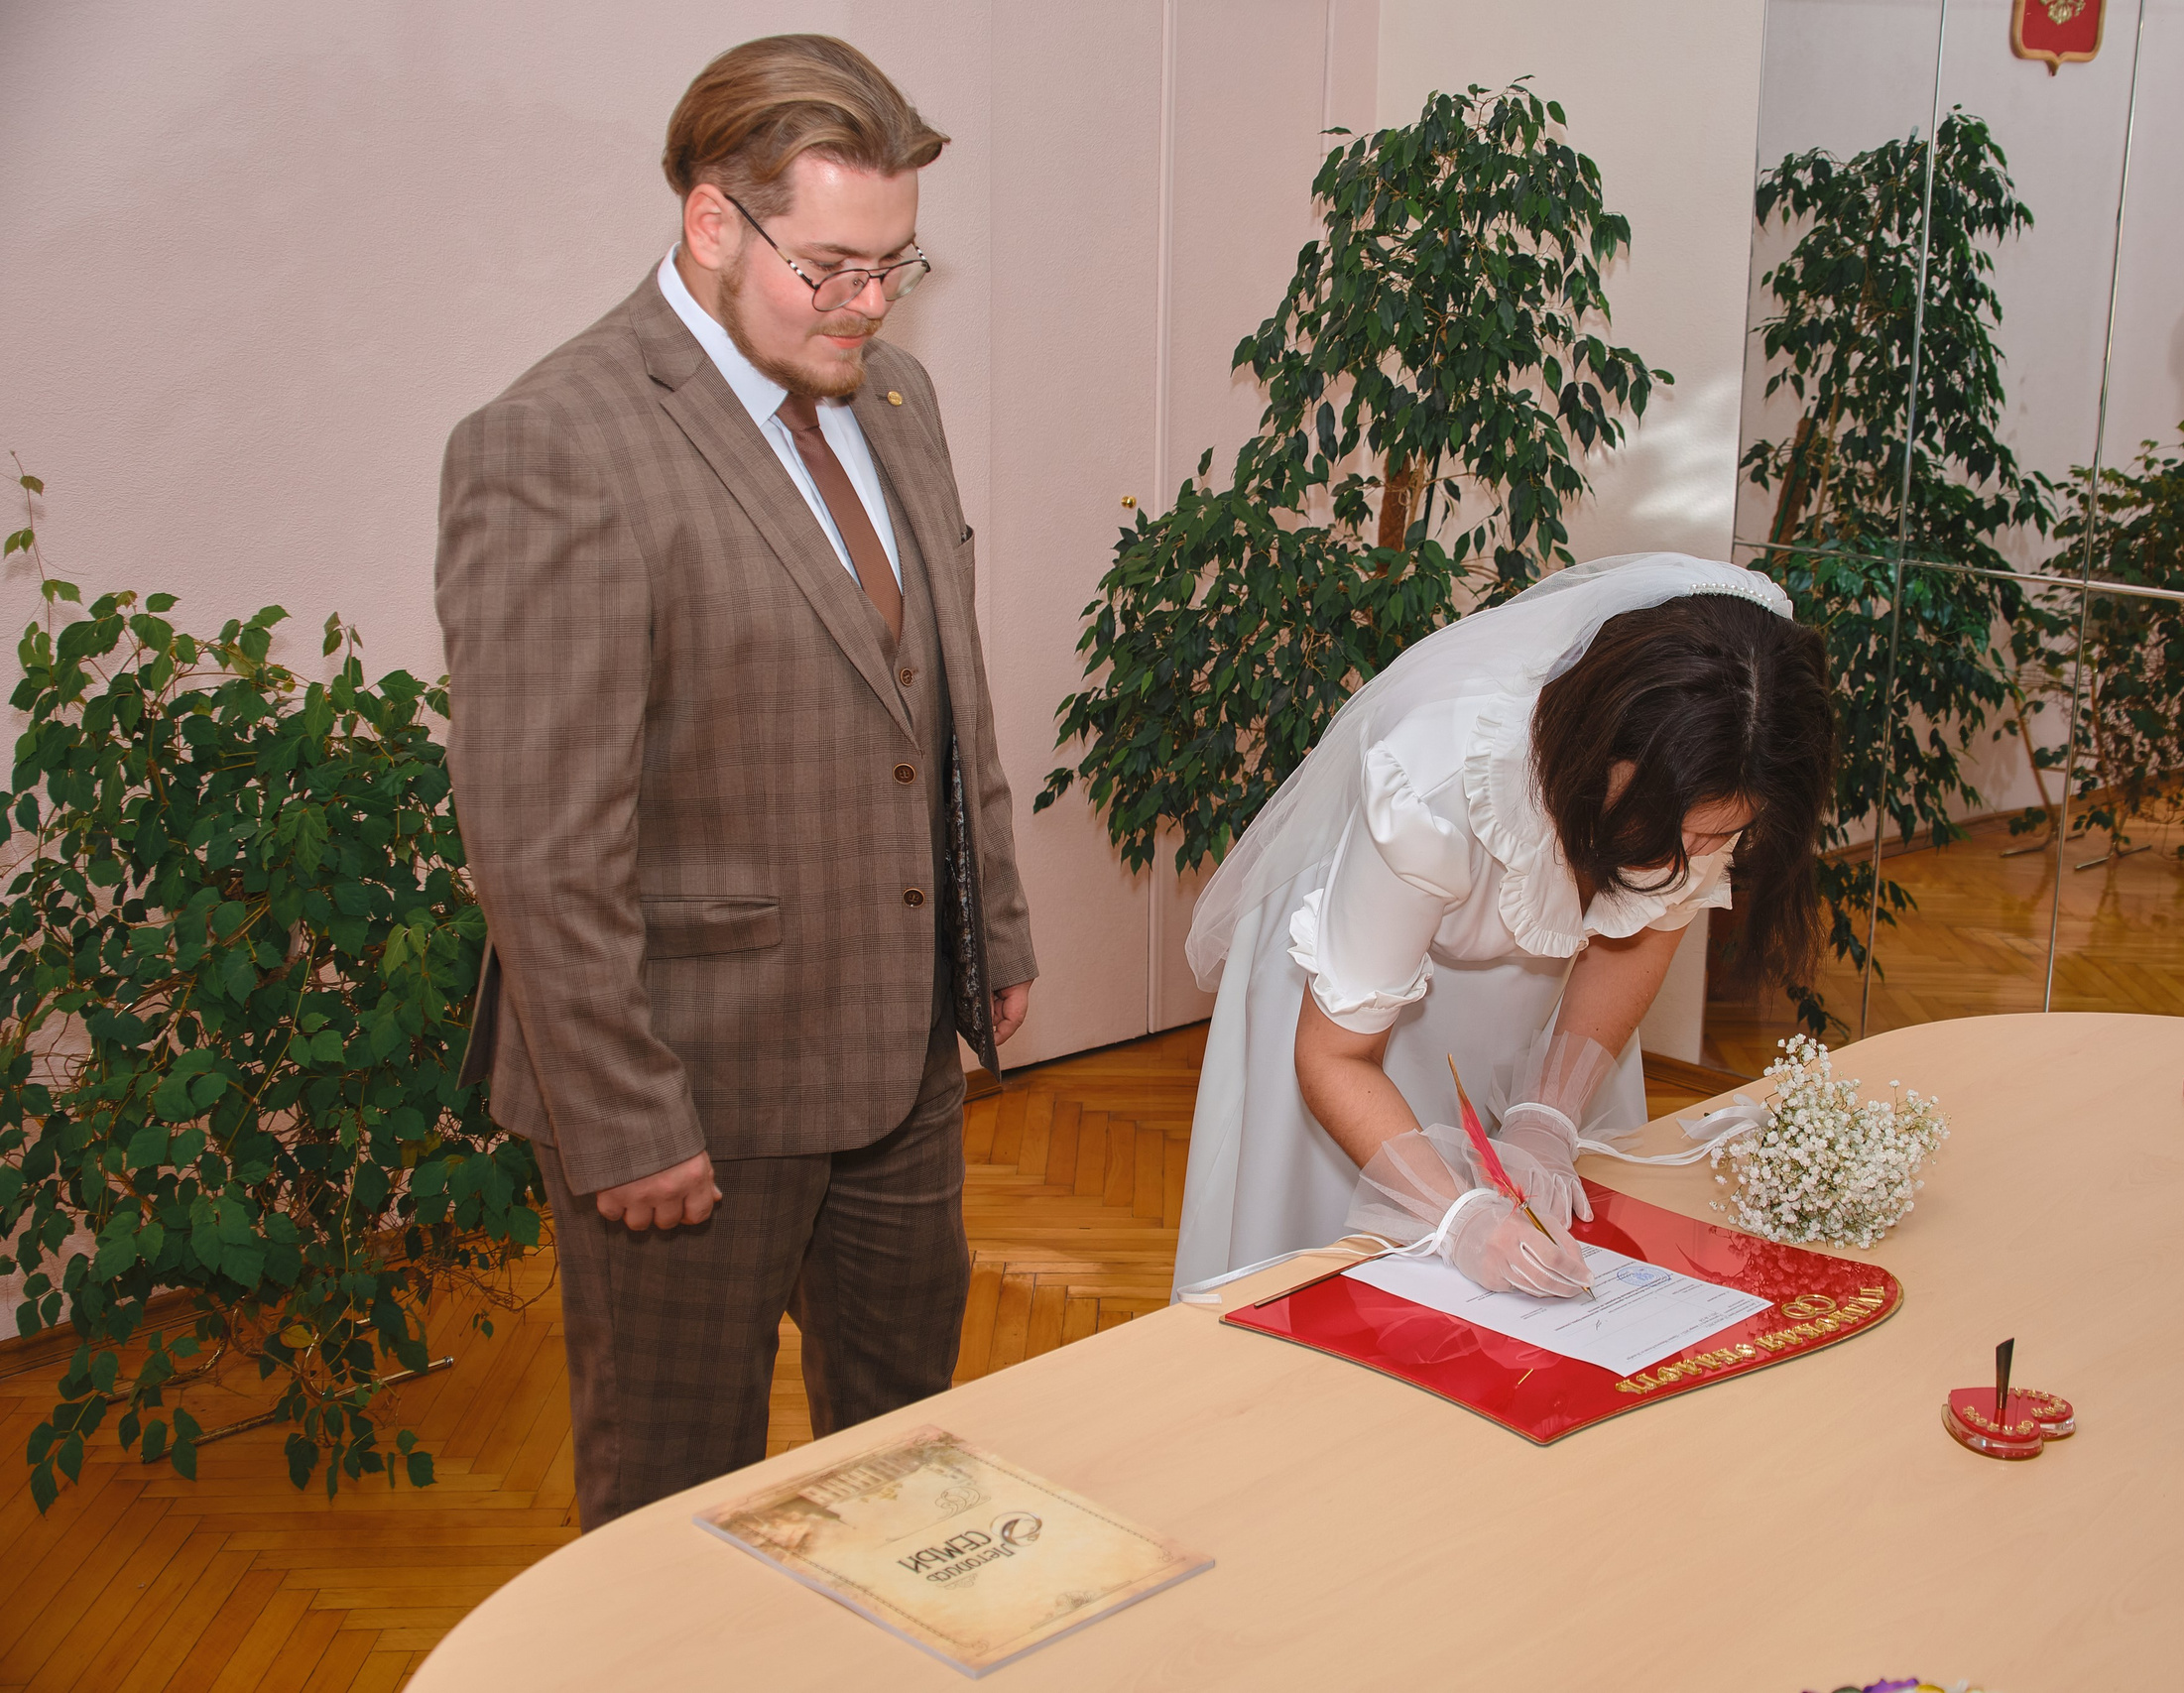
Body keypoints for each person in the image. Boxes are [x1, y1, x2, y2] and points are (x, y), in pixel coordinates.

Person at [435, 35, 1034, 1528]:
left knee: (909, 1470)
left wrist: (993, 932)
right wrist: (623, 1115)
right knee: (672, 1500)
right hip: (693, 1081)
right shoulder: (557, 443)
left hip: (900, 1053)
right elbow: (538, 840)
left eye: (898, 265)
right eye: (833, 265)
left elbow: (945, 698)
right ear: (714, 221)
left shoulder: (895, 398)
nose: (873, 304)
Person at [1173, 554, 1831, 1297]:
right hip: (1350, 999)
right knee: (1344, 1267)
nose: (1696, 860)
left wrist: (1547, 1111)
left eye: (1721, 838)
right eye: (1678, 834)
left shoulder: (1721, 764)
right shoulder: (1437, 785)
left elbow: (1646, 923)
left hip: (1538, 1001)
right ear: (1604, 752)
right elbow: (1336, 1056)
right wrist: (1458, 1217)